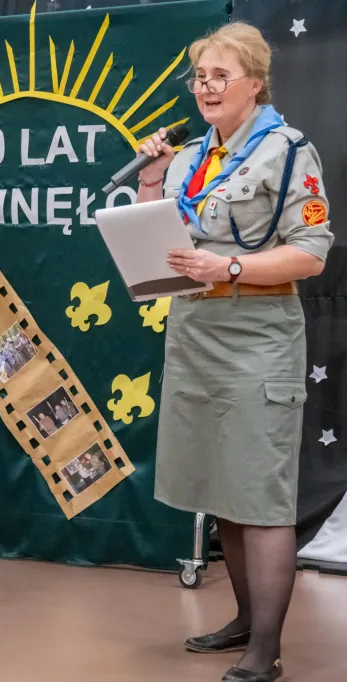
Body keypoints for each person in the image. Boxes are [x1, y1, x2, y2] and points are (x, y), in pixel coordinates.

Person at [136, 22, 332, 682]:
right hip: (194, 331)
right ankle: (246, 620)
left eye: (221, 75)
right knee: (221, 487)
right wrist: (151, 182)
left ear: (255, 83)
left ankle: (265, 651)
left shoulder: (287, 150)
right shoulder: (190, 157)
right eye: (199, 77)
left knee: (260, 495)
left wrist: (231, 268)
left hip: (257, 333)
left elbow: (311, 252)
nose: (206, 88)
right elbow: (158, 248)